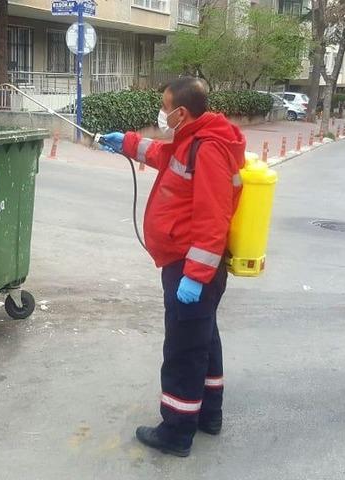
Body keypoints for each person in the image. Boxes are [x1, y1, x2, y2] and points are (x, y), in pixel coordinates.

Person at [100, 77, 246, 457]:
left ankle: (177, 431)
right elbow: (167, 157)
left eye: (165, 107)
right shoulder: (192, 138)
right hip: (187, 263)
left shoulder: (208, 148)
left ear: (181, 112)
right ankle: (208, 416)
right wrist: (128, 143)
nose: (162, 113)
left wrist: (195, 276)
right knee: (204, 341)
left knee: (183, 350)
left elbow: (214, 218)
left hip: (191, 267)